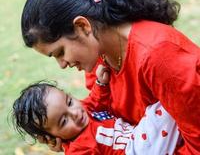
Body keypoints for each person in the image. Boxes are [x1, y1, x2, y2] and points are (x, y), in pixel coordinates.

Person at [21, 0, 200, 154]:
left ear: (82, 26)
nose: (62, 64)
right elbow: (103, 115)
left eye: (60, 52)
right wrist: (70, 139)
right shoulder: (99, 58)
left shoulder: (158, 55)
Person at [12, 66, 180, 155]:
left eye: (70, 102)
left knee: (162, 110)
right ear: (51, 137)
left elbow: (95, 100)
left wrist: (101, 83)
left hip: (142, 139)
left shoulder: (83, 109)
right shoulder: (79, 149)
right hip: (135, 150)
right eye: (64, 121)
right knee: (162, 108)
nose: (75, 113)